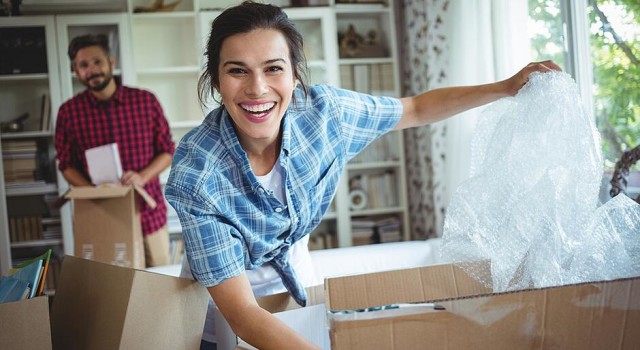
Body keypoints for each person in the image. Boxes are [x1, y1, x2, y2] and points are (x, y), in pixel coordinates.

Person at [164, 1, 562, 349]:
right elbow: (243, 314)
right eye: (238, 71)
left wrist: (506, 86)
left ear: (294, 76)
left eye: (273, 68)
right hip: (227, 303)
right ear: (216, 80)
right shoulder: (197, 174)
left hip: (296, 281)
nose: (258, 88)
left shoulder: (326, 116)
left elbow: (415, 109)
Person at [55, 34, 175, 268]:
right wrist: (94, 193)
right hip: (102, 219)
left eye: (97, 61)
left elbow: (168, 151)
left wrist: (141, 176)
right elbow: (66, 164)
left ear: (111, 62)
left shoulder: (145, 101)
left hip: (149, 215)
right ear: (76, 71)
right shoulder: (68, 112)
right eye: (83, 65)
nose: (92, 70)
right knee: (115, 291)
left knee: (160, 284)